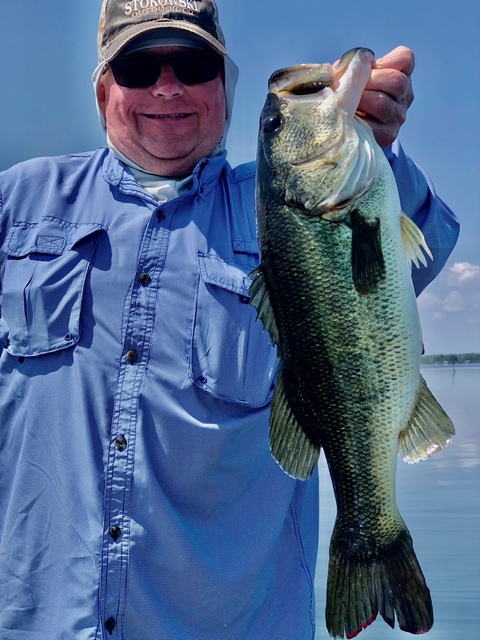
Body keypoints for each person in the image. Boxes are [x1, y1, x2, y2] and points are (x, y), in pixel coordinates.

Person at [0, 1, 459, 639]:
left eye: (191, 63)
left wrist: (379, 141)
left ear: (226, 87)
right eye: (138, 66)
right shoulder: (17, 204)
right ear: (105, 89)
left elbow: (416, 251)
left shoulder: (275, 202)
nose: (167, 86)